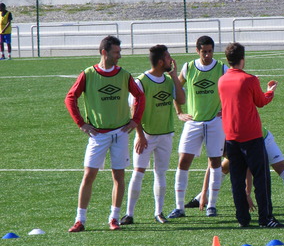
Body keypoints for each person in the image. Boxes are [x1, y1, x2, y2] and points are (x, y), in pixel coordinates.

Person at [64, 36, 146, 232]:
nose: (119, 56)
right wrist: (81, 123)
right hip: (97, 135)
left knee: (118, 175)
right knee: (89, 175)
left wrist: (135, 120)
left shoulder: (124, 75)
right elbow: (70, 98)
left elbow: (140, 96)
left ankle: (114, 218)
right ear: (104, 52)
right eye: (116, 52)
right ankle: (80, 220)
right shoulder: (88, 74)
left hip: (120, 133)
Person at [218, 42, 284, 228]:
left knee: (237, 180)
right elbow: (261, 101)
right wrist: (270, 92)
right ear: (242, 58)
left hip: (231, 136)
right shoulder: (249, 80)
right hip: (251, 136)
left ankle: (243, 218)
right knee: (261, 179)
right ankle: (265, 218)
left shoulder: (222, 80)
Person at [120, 45, 185, 225]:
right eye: (168, 57)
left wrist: (175, 76)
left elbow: (181, 100)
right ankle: (129, 214)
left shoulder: (169, 80)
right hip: (146, 136)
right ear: (161, 62)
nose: (171, 60)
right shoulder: (141, 81)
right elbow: (134, 110)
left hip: (165, 134)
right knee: (138, 172)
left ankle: (159, 212)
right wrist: (140, 135)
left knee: (160, 173)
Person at [168, 36, 227, 218]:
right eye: (204, 52)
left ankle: (212, 205)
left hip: (215, 122)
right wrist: (179, 112)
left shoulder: (221, 68)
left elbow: (231, 90)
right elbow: (175, 89)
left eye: (210, 51)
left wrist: (225, 110)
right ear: (197, 51)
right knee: (183, 161)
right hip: (193, 122)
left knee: (215, 162)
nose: (207, 55)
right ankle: (179, 207)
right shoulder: (189, 67)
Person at [192, 126, 284, 212]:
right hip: (245, 140)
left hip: (263, 139)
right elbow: (211, 167)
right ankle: (199, 198)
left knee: (280, 168)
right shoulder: (215, 140)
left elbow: (248, 169)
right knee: (223, 168)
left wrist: (247, 194)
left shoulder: (233, 139)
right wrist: (203, 194)